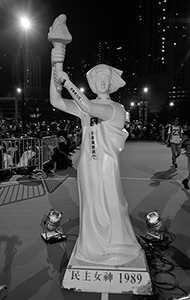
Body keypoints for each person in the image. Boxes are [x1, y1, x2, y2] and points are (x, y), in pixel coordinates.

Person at [50, 47, 141, 266]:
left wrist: (68, 82)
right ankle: (92, 247)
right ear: (91, 83)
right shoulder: (85, 107)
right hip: (88, 164)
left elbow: (89, 107)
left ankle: (118, 244)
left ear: (111, 83)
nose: (101, 81)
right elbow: (57, 101)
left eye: (105, 77)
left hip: (107, 165)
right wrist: (56, 64)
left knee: (112, 203)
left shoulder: (116, 108)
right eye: (97, 77)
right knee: (90, 204)